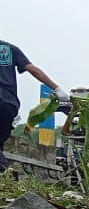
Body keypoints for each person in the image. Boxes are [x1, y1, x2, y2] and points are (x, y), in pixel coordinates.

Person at [0, 40, 66, 172]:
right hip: (7, 104)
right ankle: (5, 174)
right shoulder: (10, 48)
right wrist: (57, 89)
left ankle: (5, 175)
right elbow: (33, 70)